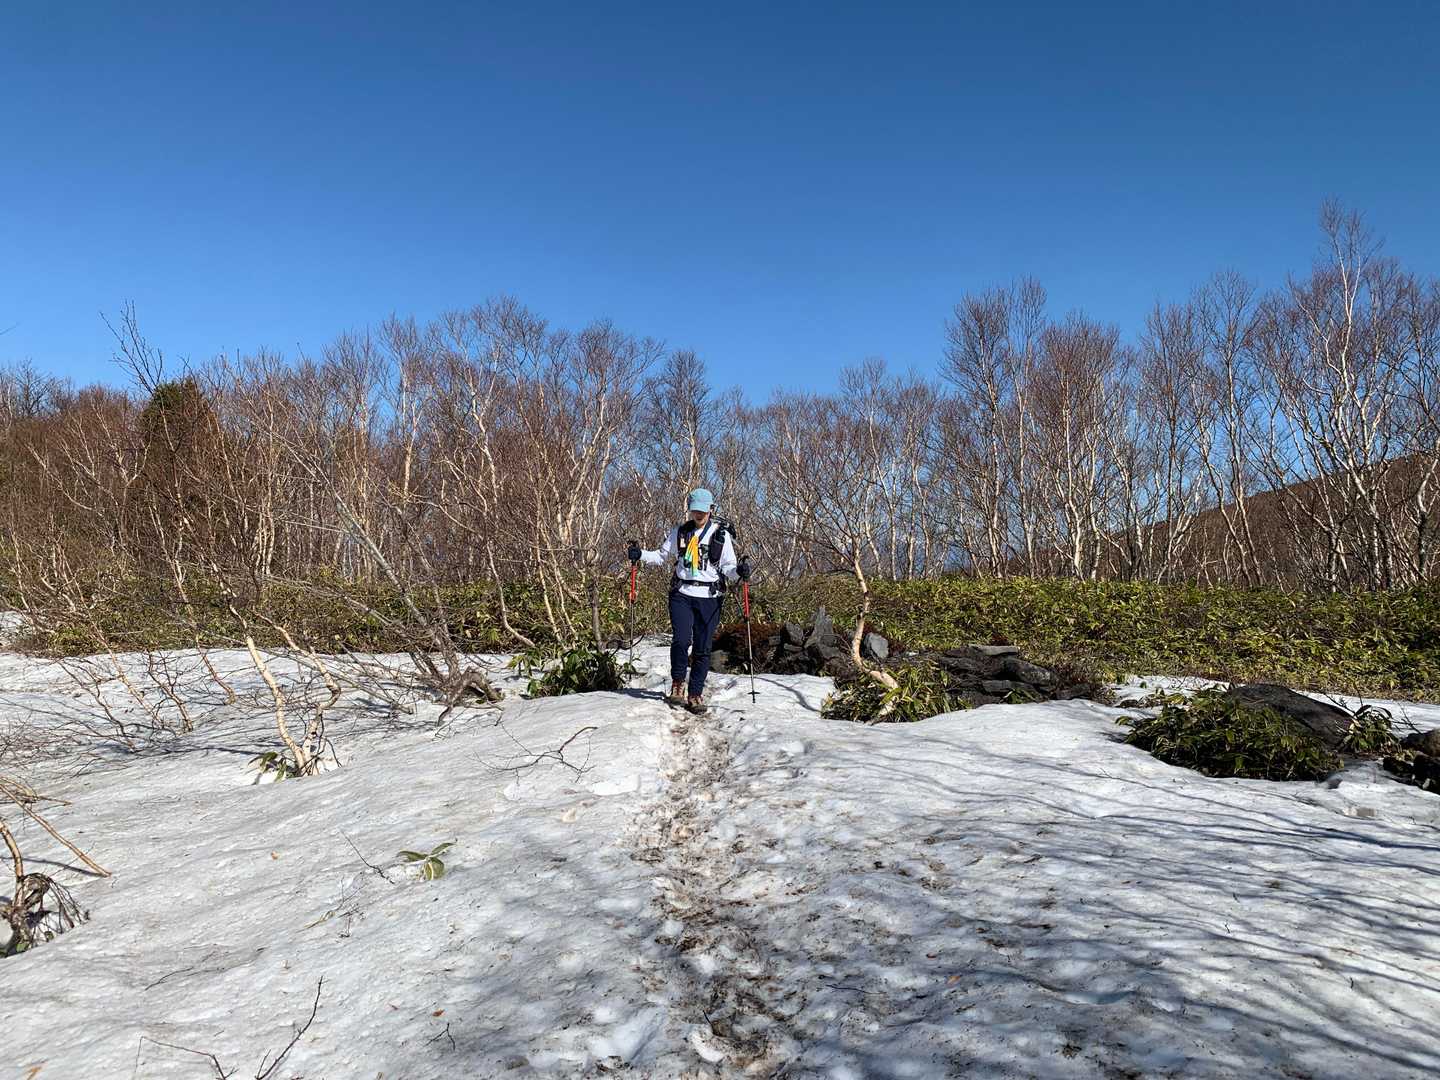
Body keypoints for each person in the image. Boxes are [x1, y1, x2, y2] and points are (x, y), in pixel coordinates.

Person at [628, 488, 752, 714]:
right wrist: (640, 554)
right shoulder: (680, 532)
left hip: (710, 597)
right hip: (682, 594)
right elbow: (661, 556)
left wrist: (740, 571)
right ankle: (677, 684)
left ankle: (695, 693)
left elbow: (728, 567)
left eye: (703, 510)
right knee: (681, 640)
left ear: (711, 509)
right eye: (695, 510)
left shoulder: (720, 535)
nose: (699, 514)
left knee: (703, 648)